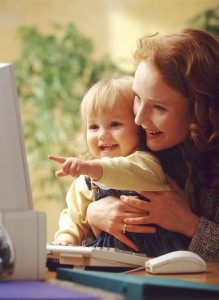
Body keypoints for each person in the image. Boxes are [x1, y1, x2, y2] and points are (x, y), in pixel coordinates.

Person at [86, 28, 219, 262]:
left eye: (158, 107)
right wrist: (93, 213)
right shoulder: (142, 141)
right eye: (138, 97)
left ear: (199, 110)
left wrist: (188, 223)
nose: (138, 119)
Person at [49, 75, 190, 256]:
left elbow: (119, 170)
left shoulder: (147, 163)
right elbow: (73, 217)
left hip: (161, 257)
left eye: (114, 124)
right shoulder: (85, 182)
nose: (102, 135)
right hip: (107, 258)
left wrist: (92, 168)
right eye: (94, 127)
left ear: (139, 128)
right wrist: (66, 239)